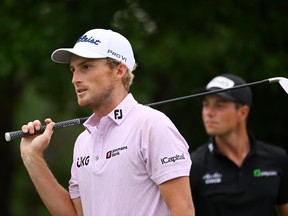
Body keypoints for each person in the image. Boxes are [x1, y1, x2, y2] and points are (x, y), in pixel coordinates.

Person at [19, 28, 195, 216]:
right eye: (73, 70)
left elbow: (183, 209)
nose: (75, 79)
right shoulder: (83, 142)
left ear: (119, 70)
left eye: (86, 67)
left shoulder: (151, 125)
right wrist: (32, 158)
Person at [189, 73, 288, 216]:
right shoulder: (193, 166)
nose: (209, 113)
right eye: (206, 105)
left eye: (219, 105)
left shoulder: (277, 158)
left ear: (243, 112)